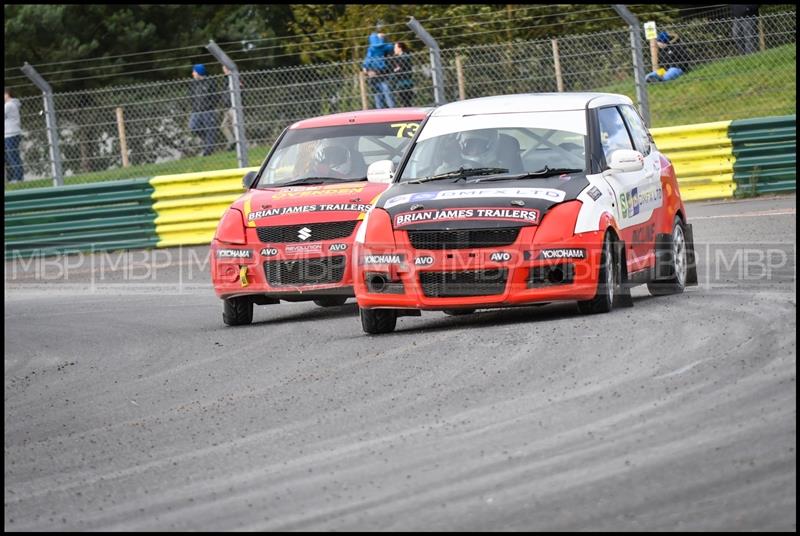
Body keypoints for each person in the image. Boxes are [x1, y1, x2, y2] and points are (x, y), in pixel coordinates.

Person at [188, 64, 221, 156]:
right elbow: (190, 96)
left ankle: (208, 150)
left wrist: (208, 106)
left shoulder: (210, 82)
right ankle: (206, 141)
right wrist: (194, 106)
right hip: (196, 111)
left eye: (194, 71)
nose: (193, 73)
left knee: (210, 130)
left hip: (208, 110)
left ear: (199, 72)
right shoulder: (193, 83)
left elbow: (215, 97)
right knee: (193, 127)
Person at [362, 24, 395, 109]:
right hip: (380, 73)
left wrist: (366, 68)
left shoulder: (372, 48)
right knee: (384, 92)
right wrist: (385, 38)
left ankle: (383, 109)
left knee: (379, 93)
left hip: (377, 72)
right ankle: (390, 109)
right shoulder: (383, 47)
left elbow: (367, 60)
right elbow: (391, 47)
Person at [4, 88, 24, 183]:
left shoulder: (9, 105)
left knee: (13, 156)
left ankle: (18, 178)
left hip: (11, 134)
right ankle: (12, 177)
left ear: (7, 94)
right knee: (9, 157)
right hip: (8, 134)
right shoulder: (10, 104)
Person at [219, 65, 240, 152]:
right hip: (227, 107)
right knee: (224, 126)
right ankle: (232, 141)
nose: (224, 71)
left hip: (234, 106)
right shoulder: (226, 79)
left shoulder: (235, 78)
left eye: (225, 69)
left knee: (237, 126)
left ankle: (240, 145)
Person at [391, 42, 415, 108]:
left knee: (406, 100)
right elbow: (396, 69)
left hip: (405, 81)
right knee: (403, 100)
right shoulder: (397, 57)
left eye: (395, 48)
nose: (394, 49)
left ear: (400, 48)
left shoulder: (405, 56)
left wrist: (397, 69)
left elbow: (400, 68)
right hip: (400, 81)